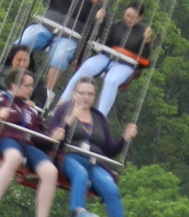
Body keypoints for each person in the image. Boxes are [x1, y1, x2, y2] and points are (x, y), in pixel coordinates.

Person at [0, 67, 60, 217]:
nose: (30, 90)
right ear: (14, 85)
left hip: (27, 144)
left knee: (50, 171)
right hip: (6, 138)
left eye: (31, 86)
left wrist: (52, 138)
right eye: (27, 85)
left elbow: (39, 136)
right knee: (14, 157)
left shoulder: (31, 111)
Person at [17, 0, 105, 106]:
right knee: (24, 41)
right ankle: (10, 75)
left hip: (70, 35)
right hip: (46, 26)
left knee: (60, 56)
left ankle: (47, 95)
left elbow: (97, 25)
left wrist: (98, 12)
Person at [48, 76, 136, 217]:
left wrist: (124, 139)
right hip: (69, 156)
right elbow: (53, 136)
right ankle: (77, 210)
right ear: (74, 93)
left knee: (111, 188)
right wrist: (70, 120)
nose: (86, 97)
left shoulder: (98, 117)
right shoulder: (63, 110)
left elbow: (109, 150)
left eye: (90, 94)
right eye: (82, 93)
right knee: (80, 174)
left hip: (93, 161)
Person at [58, 3, 154, 116]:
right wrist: (101, 23)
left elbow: (144, 57)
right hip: (108, 56)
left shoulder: (143, 32)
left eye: (133, 17)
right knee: (86, 67)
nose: (129, 19)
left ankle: (100, 116)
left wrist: (147, 42)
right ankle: (62, 102)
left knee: (111, 80)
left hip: (126, 64)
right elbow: (104, 41)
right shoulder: (117, 25)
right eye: (127, 15)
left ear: (140, 18)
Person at [0, 44, 49, 108]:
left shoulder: (37, 81)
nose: (22, 64)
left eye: (26, 61)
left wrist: (34, 104)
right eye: (19, 60)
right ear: (12, 59)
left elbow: (40, 100)